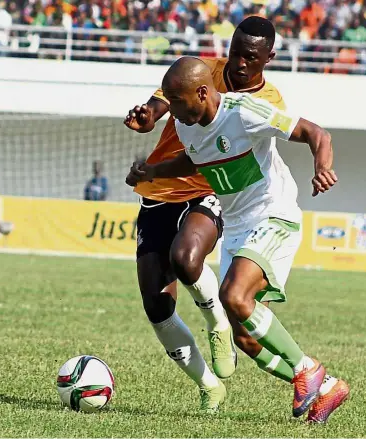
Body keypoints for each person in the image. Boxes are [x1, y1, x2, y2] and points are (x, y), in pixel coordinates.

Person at [126, 57, 350, 423]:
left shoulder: (245, 111)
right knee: (246, 338)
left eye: (177, 102)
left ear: (202, 92)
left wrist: (322, 168)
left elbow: (316, 133)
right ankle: (326, 386)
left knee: (233, 296)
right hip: (238, 226)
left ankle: (306, 371)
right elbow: (195, 161)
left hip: (273, 214)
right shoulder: (186, 124)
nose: (173, 111)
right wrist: (152, 170)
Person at [124, 16, 292, 414]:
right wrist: (150, 114)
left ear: (268, 58)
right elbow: (162, 99)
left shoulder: (269, 101)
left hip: (211, 189)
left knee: (186, 257)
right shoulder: (203, 71)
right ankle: (208, 385)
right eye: (234, 52)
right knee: (156, 305)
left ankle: (217, 321)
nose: (237, 64)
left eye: (249, 57)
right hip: (158, 191)